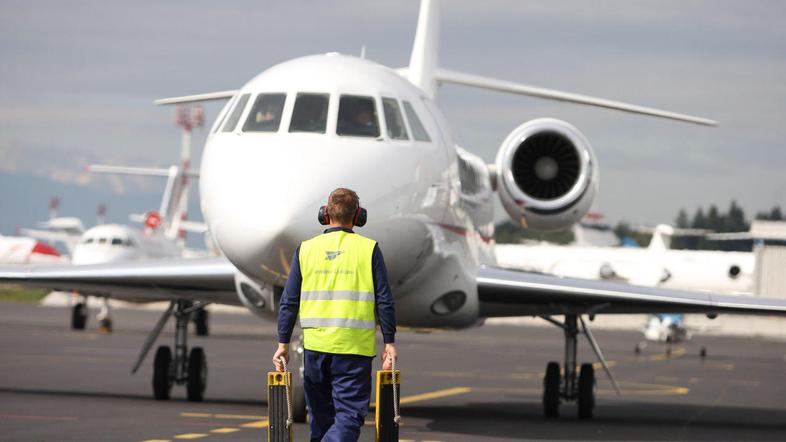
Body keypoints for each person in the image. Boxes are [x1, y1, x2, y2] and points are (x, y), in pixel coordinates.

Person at [273, 187, 397, 442]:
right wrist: (389, 343)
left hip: (315, 349)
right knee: (349, 416)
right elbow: (384, 300)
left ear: (325, 214)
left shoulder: (306, 249)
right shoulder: (369, 250)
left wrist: (282, 344)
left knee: (320, 421)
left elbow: (289, 301)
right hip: (354, 350)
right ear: (358, 216)